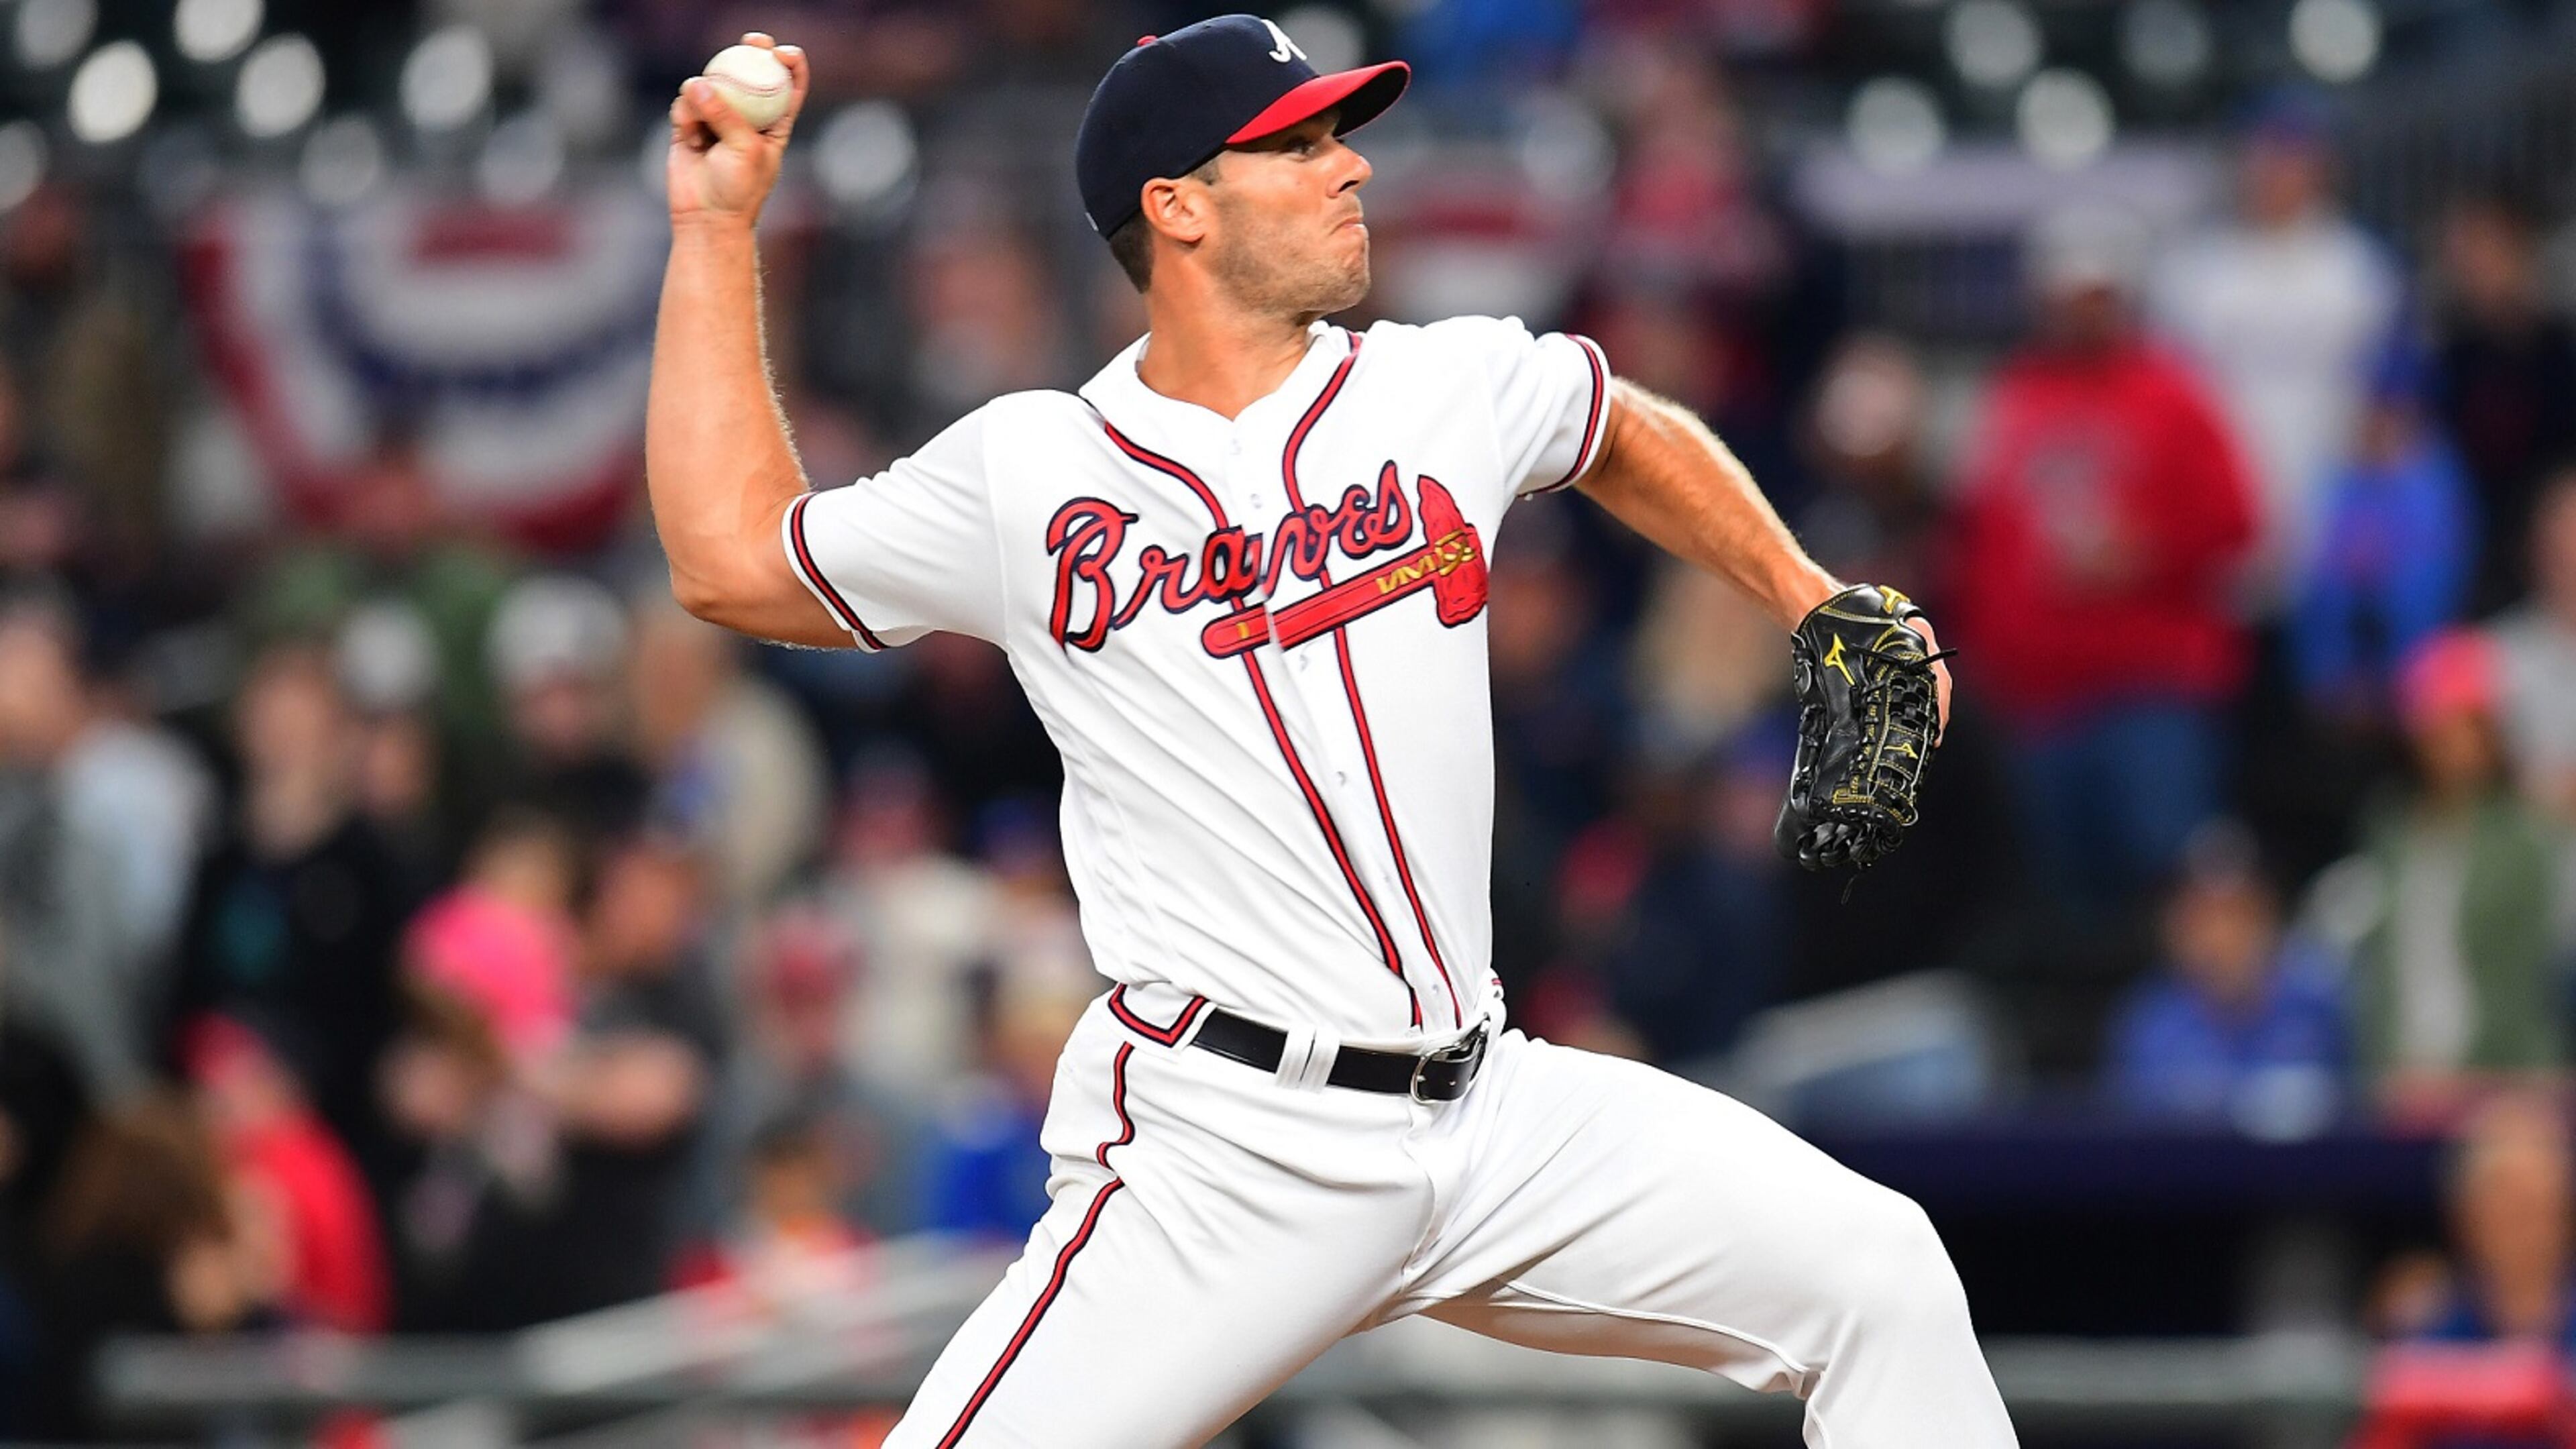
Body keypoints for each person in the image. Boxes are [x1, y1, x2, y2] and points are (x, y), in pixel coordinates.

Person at [644, 19, 2008, 1447]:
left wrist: (1806, 594)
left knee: (1884, 1277)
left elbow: (1615, 427)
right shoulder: (1034, 474)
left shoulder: (1436, 387)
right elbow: (732, 558)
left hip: (1487, 1115)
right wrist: (716, 228)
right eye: (1296, 146)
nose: (1348, 168)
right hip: (1229, 1153)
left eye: (1338, 135)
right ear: (1177, 207)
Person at [1947, 205, 2261, 906]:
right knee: (2064, 895)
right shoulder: (2014, 395)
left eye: (2095, 297)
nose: (2079, 314)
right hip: (2040, 702)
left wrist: (2145, 553)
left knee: (2170, 872)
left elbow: (2238, 523)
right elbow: (1980, 540)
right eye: (2066, 298)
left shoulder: (2173, 393)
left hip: (2152, 689)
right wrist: (1988, 657)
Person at [2150, 93, 2404, 602]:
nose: (2277, 173)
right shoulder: (2192, 272)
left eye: (2293, 158)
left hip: (2331, 511)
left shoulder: (2360, 269)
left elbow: (2390, 409)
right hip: (2220, 515)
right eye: (2265, 156)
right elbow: (2167, 410)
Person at [2346, 631, 2564, 1114]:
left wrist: (2482, 1079)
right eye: (2438, 729)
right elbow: (2383, 963)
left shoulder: (2522, 838)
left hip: (2502, 1080)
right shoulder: (2390, 829)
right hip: (2404, 1079)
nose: (2452, 747)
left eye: (2467, 728)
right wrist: (2387, 1067)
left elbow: (2523, 977)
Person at [2102, 827, 2347, 1124]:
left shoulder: (2321, 1008)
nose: (2221, 936)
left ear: (2269, 917)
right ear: (2173, 927)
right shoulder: (2147, 1024)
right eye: (2203, 916)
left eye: (2237, 913)